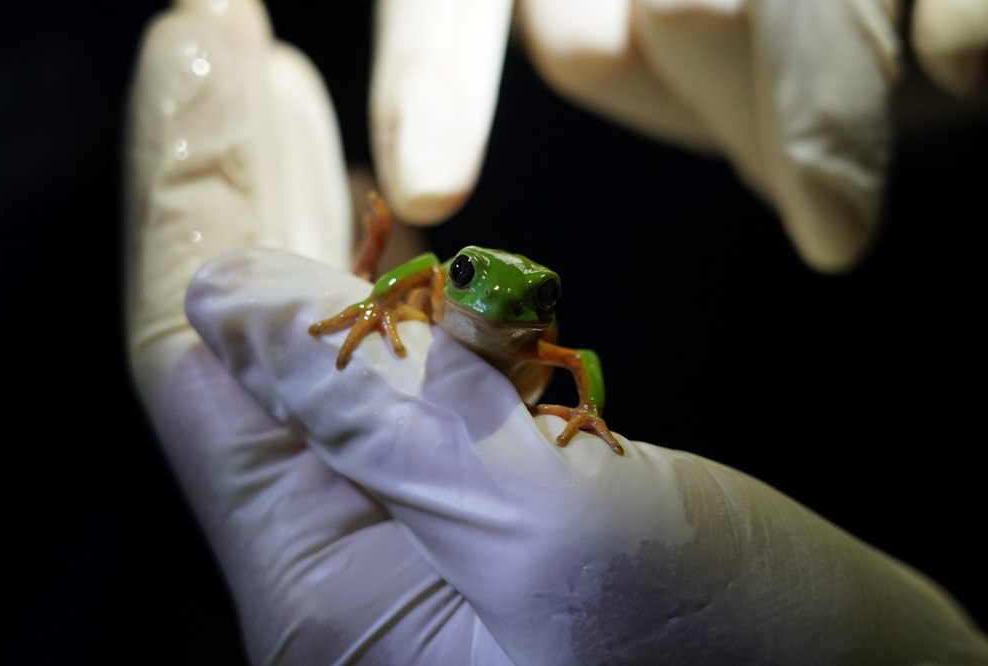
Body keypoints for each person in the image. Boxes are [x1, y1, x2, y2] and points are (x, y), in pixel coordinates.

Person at [125, 0, 988, 662]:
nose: (501, 299)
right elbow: (424, 273)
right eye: (472, 277)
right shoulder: (441, 276)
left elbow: (584, 358)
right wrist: (376, 300)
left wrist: (590, 411)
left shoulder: (540, 332)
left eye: (537, 295)